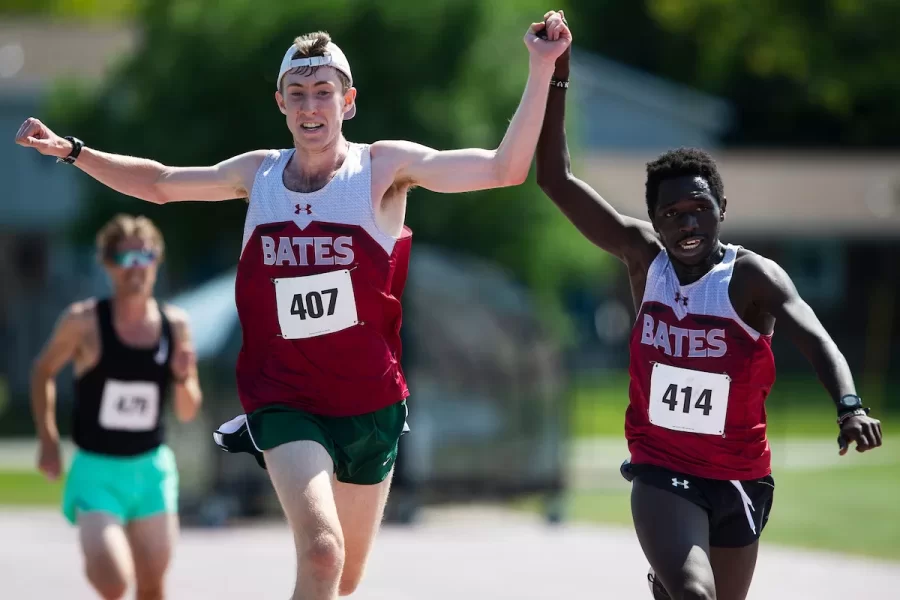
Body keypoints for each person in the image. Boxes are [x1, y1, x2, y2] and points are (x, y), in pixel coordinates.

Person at [16, 13, 571, 600]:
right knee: (323, 552)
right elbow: (159, 183)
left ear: (348, 101)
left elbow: (503, 170)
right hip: (284, 397)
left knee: (344, 577)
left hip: (369, 404)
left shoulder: (382, 169)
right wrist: (74, 151)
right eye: (298, 94)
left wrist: (541, 69)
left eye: (324, 93)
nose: (311, 107)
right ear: (281, 103)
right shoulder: (260, 175)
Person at [535, 43, 884, 600]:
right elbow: (554, 180)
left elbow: (814, 335)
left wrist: (849, 406)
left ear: (722, 206)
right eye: (671, 215)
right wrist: (556, 78)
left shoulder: (751, 278)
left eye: (699, 208)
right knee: (695, 595)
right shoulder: (643, 259)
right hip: (660, 466)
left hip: (740, 475)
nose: (687, 223)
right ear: (654, 220)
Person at [29, 214, 203, 600]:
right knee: (112, 580)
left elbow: (188, 411)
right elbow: (42, 371)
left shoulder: (175, 325)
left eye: (146, 257)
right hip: (97, 472)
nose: (136, 268)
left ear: (157, 261)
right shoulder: (84, 321)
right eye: (125, 259)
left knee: (153, 586)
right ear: (108, 265)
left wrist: (183, 378)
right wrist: (47, 438)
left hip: (152, 470)